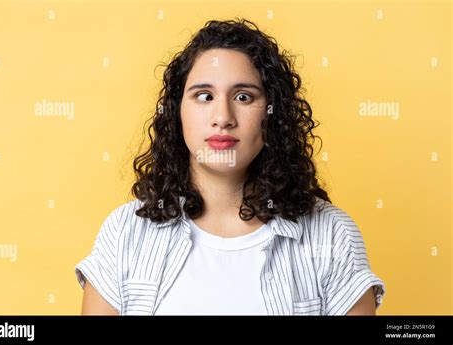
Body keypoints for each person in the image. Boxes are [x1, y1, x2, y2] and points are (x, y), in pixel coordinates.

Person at [76, 18, 386, 315]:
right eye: (205, 96)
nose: (223, 117)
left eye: (243, 96)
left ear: (271, 113)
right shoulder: (125, 233)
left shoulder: (332, 235)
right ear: (177, 112)